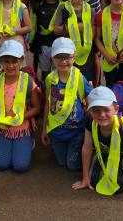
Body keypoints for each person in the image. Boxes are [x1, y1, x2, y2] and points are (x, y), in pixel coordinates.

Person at [72, 87, 123, 211]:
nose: (102, 115)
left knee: (120, 184)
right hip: (104, 151)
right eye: (96, 111)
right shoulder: (90, 120)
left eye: (106, 110)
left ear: (116, 109)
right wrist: (85, 178)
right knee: (93, 181)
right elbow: (87, 147)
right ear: (90, 112)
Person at [41, 37, 93, 171]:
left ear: (74, 57)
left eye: (67, 57)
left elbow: (92, 99)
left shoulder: (80, 77)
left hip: (76, 131)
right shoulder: (49, 79)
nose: (63, 61)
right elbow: (47, 103)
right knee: (61, 163)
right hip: (57, 131)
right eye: (59, 57)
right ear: (52, 58)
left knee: (72, 166)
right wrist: (44, 129)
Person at [0, 40, 42, 173]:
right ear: (1, 62)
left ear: (21, 61)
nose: (11, 65)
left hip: (22, 128)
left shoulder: (28, 81)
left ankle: (28, 141)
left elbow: (37, 108)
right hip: (4, 128)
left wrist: (18, 118)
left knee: (20, 166)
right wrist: (0, 120)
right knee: (1, 164)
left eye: (15, 61)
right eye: (6, 61)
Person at [53, 0, 98, 86]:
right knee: (69, 81)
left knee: (86, 82)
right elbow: (56, 29)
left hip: (87, 54)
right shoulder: (63, 8)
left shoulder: (90, 9)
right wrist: (78, 28)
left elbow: (93, 31)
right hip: (68, 54)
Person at [29, 0, 65, 82]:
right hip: (43, 45)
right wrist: (32, 41)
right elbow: (35, 25)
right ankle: (44, 92)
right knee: (44, 72)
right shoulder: (38, 6)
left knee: (57, 72)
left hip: (58, 45)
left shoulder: (64, 5)